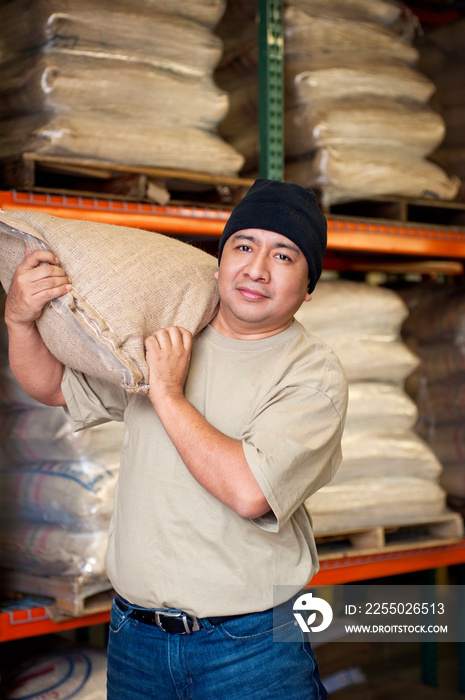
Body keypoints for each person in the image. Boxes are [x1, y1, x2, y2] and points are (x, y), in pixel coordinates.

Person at [5, 179, 348, 700]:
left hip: (248, 649)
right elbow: (53, 386)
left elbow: (249, 490)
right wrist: (19, 320)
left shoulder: (310, 374)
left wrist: (166, 391)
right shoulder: (170, 332)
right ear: (220, 260)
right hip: (134, 640)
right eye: (243, 245)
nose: (257, 268)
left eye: (284, 254)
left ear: (308, 285)